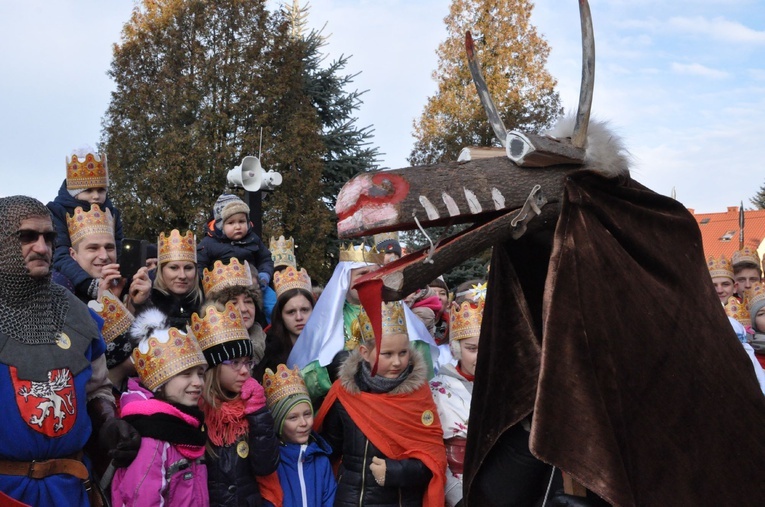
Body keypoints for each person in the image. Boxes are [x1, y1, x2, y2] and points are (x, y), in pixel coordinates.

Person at [0, 196, 139, 506]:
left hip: (70, 489)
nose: (41, 247)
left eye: (49, 238)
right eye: (27, 237)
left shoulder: (79, 317)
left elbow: (96, 390)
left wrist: (109, 422)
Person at [315, 301, 447, 507]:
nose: (397, 362)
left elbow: (433, 460)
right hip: (350, 500)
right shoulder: (345, 393)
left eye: (403, 353)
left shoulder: (418, 396)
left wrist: (396, 472)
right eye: (387, 354)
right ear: (364, 352)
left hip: (401, 500)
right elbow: (329, 449)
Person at [288, 244, 438, 402]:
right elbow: (303, 379)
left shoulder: (396, 312)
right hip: (344, 402)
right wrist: (330, 369)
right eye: (363, 273)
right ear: (346, 278)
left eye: (375, 273)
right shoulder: (328, 318)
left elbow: (421, 364)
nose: (371, 278)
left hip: (396, 400)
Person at [111, 323, 209, 506]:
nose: (198, 382)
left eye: (201, 374)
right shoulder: (152, 439)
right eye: (186, 374)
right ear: (161, 383)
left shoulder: (188, 427)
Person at [193, 302, 280, 506]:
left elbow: (265, 466)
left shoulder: (253, 406)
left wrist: (259, 414)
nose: (245, 371)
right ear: (213, 367)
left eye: (247, 362)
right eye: (234, 363)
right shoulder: (196, 411)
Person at [47, 147, 125, 302]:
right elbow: (59, 253)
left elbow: (118, 247)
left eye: (101, 190)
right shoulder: (56, 212)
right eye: (89, 190)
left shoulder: (113, 213)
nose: (96, 196)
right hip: (70, 277)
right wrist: (88, 284)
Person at [430, 295, 484, 507]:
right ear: (456, 348)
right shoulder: (435, 390)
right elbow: (433, 452)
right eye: (472, 348)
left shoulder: (510, 386)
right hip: (461, 494)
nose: (482, 355)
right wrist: (458, 498)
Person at [259, 364, 337, 507]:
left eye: (307, 414)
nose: (303, 423)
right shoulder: (271, 464)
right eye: (293, 418)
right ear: (279, 423)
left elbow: (330, 500)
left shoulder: (321, 461)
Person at [197, 193, 274, 288]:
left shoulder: (253, 239)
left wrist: (264, 274)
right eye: (231, 223)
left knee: (271, 300)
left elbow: (265, 259)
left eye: (241, 221)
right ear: (221, 226)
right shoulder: (208, 244)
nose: (237, 227)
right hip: (221, 288)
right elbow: (199, 265)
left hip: (252, 286)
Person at [254, 265, 315, 381]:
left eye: (305, 310)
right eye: (291, 312)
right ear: (280, 315)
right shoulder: (268, 352)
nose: (299, 317)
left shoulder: (326, 345)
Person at [202, 258, 267, 364]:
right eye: (233, 303)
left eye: (248, 301)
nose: (243, 309)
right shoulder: (207, 353)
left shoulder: (272, 346)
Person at [133, 230, 203, 328]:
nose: (182, 276)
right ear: (161, 271)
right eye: (173, 268)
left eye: (188, 268)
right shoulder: (147, 304)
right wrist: (140, 304)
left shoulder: (207, 307)